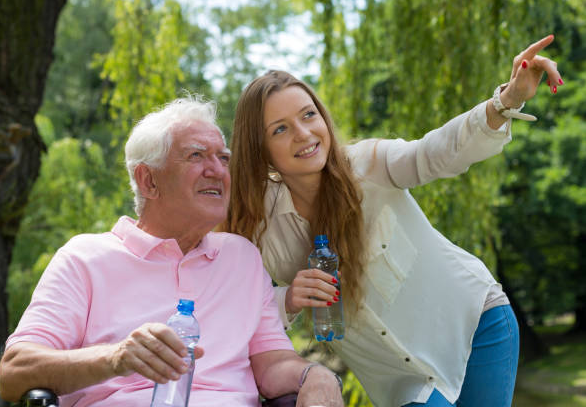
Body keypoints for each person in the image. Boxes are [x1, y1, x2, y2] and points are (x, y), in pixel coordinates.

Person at [221, 35, 563, 407]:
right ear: (260, 148)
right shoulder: (257, 225)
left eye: (308, 115)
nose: (304, 134)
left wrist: (504, 102)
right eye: (280, 129)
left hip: (474, 325)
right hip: (402, 382)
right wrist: (287, 298)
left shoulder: (367, 164)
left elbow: (434, 153)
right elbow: (234, 305)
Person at [0, 96, 344, 406]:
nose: (218, 171)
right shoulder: (84, 258)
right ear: (149, 181)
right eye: (196, 155)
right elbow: (14, 371)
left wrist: (315, 375)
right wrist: (115, 358)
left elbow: (273, 362)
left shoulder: (242, 258)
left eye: (223, 158)